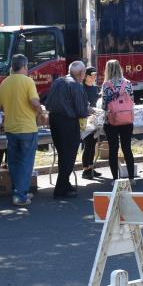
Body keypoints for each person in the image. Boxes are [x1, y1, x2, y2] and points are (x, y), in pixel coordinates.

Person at [0, 53, 41, 206]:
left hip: (11, 128)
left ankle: (20, 191)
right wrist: (42, 111)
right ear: (25, 66)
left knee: (14, 162)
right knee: (26, 162)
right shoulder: (28, 81)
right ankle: (20, 195)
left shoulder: (5, 82)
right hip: (27, 127)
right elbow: (34, 101)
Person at [45, 61, 90, 198]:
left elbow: (47, 104)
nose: (84, 75)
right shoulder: (75, 85)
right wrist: (90, 110)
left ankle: (65, 184)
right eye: (84, 73)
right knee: (69, 156)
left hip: (54, 120)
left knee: (62, 154)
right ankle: (60, 188)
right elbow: (82, 111)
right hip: (68, 122)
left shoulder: (58, 81)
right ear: (81, 73)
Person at [101, 59, 136, 181]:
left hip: (111, 121)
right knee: (127, 148)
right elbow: (132, 100)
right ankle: (131, 178)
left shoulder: (106, 85)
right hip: (127, 120)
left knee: (113, 149)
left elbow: (104, 105)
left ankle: (115, 179)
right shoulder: (127, 83)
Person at [80, 66, 102, 180]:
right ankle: (85, 170)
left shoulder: (96, 88)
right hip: (85, 120)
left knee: (93, 144)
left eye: (95, 75)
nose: (93, 77)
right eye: (91, 75)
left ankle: (90, 167)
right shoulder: (81, 88)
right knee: (88, 144)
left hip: (95, 119)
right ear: (86, 76)